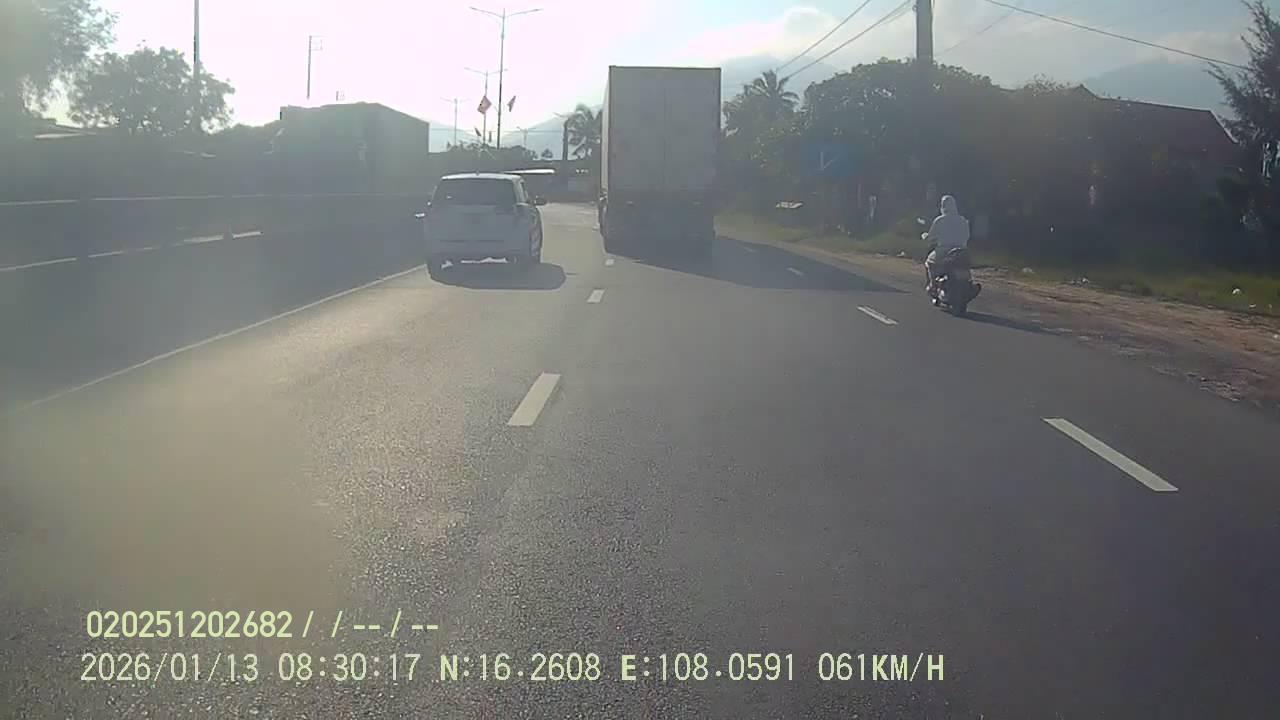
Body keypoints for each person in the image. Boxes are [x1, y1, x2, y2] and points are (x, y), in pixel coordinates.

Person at [924, 195, 971, 290]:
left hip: (944, 250)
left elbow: (931, 236)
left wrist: (926, 237)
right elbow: (967, 236)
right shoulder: (962, 220)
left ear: (943, 206)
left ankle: (933, 285)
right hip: (961, 251)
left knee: (929, 262)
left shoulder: (940, 220)